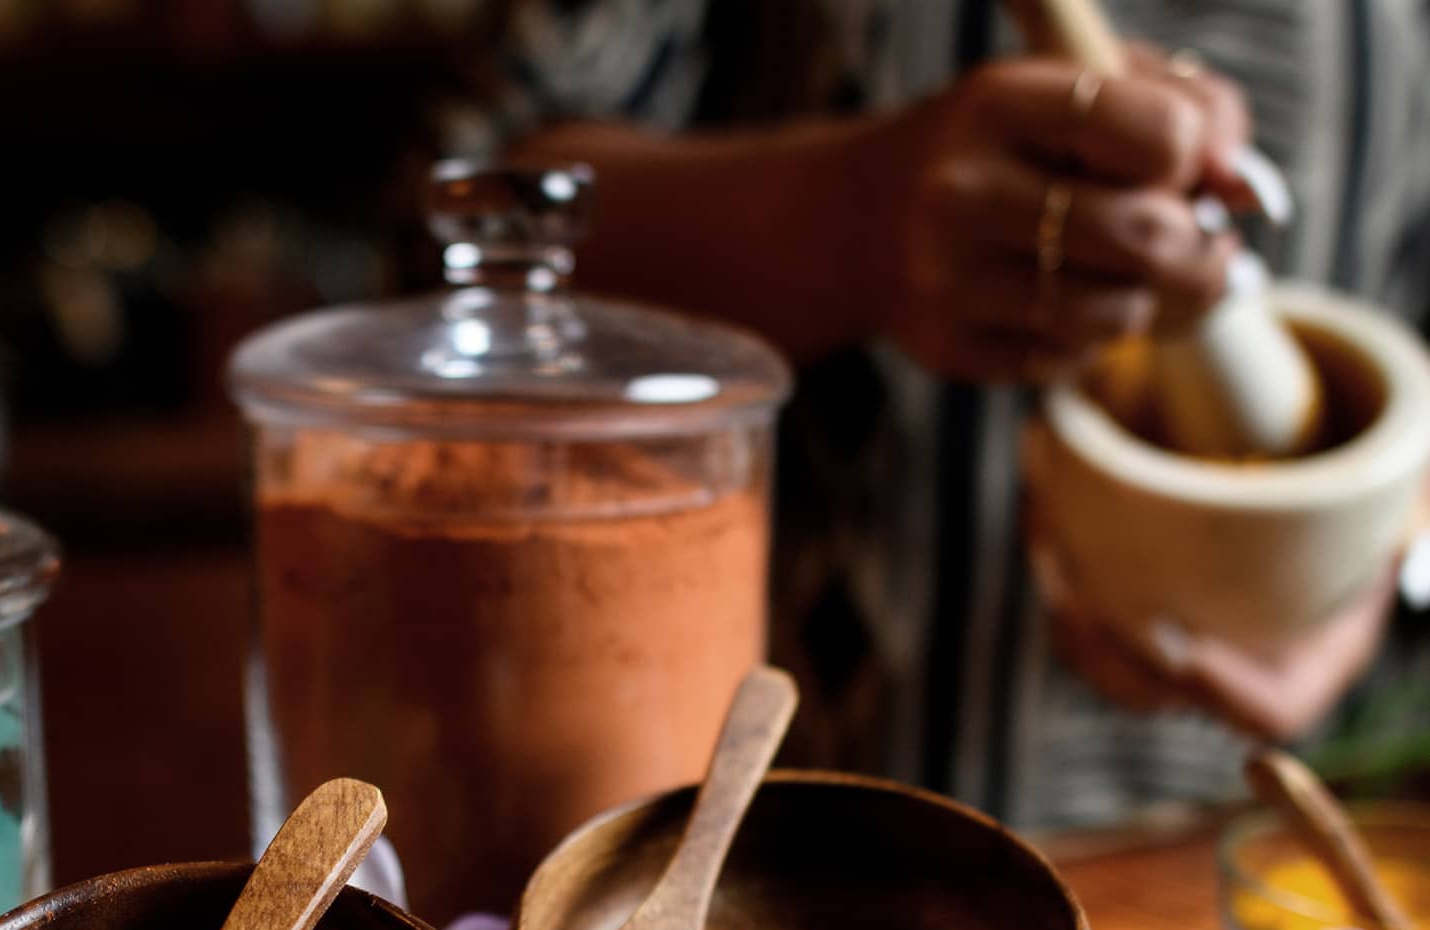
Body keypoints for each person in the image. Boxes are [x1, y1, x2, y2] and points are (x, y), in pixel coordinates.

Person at [435, 0, 1430, 829]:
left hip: (1263, 853)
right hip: (756, 830)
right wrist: (846, 219)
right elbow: (452, 213)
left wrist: (1375, 556)